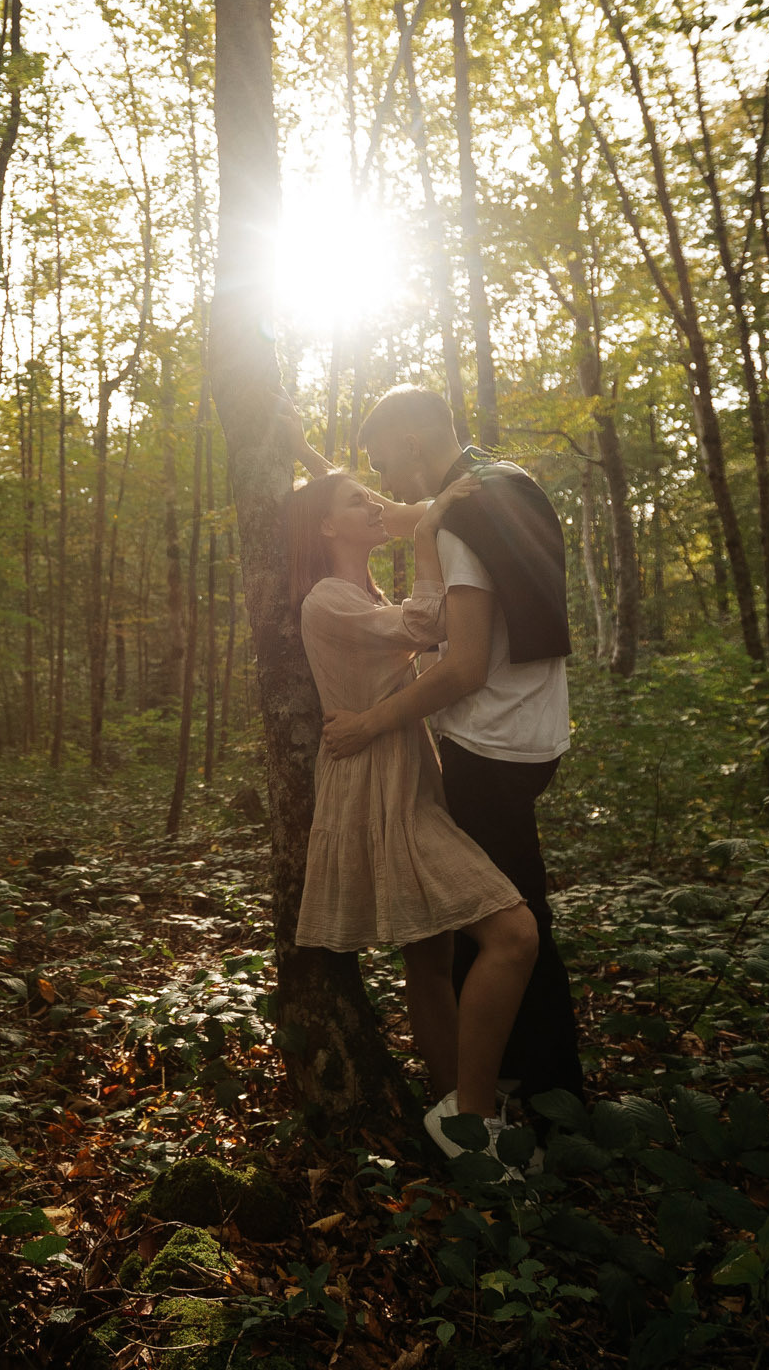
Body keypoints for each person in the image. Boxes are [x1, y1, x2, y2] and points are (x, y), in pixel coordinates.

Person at [312, 386, 588, 1115]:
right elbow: (399, 515)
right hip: (535, 735)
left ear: (409, 444)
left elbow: (461, 667)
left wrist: (370, 723)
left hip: (489, 747)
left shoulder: (462, 523)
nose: (389, 495)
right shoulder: (500, 485)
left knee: (503, 930)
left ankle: (529, 1095)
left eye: (385, 468)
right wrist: (307, 462)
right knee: (513, 917)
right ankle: (531, 1089)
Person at [280, 451, 542, 1163]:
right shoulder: (327, 600)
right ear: (327, 527)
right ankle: (475, 1122)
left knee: (429, 958)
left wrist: (306, 452)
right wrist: (427, 537)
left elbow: (409, 625)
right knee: (514, 935)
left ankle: (456, 1118)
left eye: (375, 496)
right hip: (378, 789)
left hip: (405, 772)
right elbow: (426, 628)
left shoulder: (359, 592)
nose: (375, 506)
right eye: (357, 501)